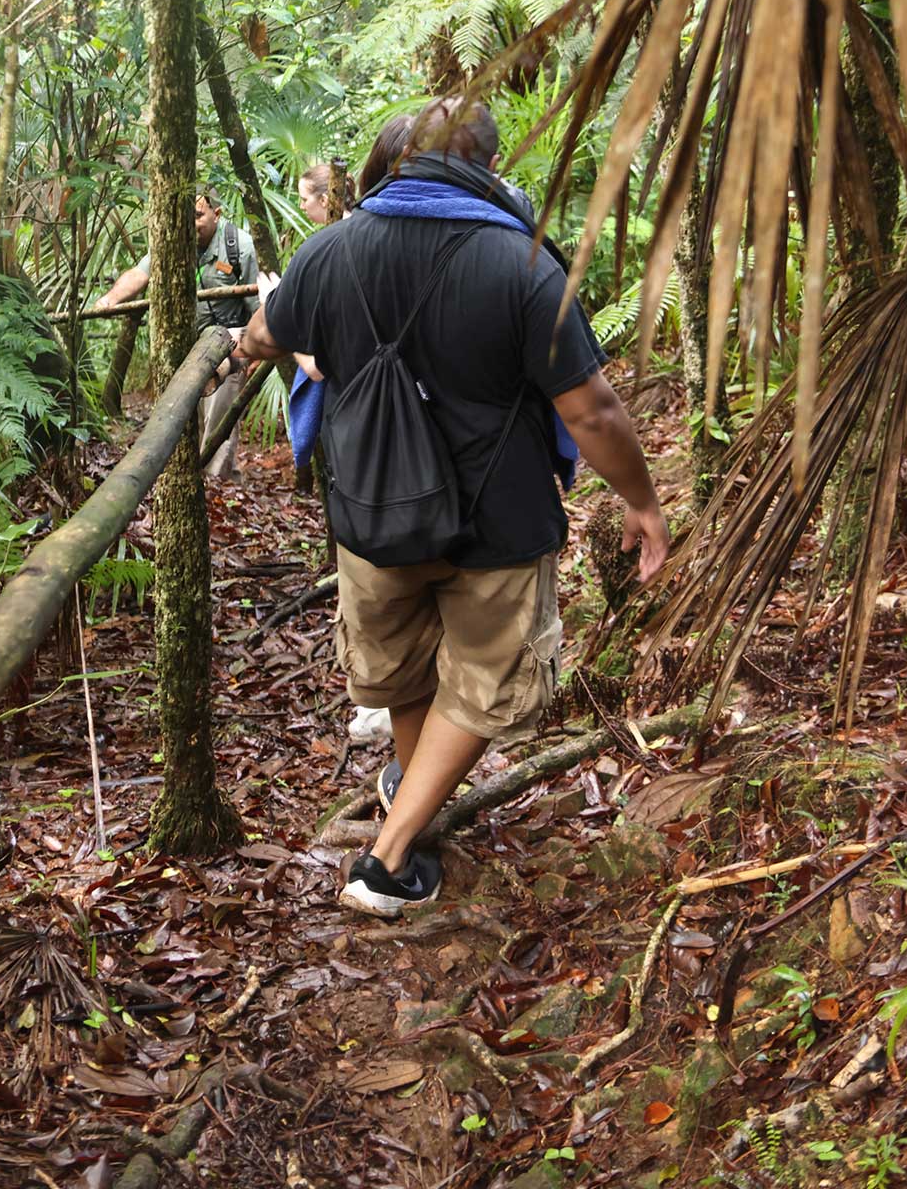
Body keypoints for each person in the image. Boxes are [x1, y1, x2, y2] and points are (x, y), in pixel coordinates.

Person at [231, 95, 669, 917]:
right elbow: (593, 413)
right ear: (487, 166)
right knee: (484, 676)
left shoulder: (327, 253)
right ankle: (390, 858)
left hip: (371, 516)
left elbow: (264, 332)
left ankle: (409, 798)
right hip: (493, 527)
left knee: (400, 666)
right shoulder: (524, 264)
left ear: (383, 165)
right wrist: (641, 501)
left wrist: (269, 344)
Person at [99, 187, 258, 481]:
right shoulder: (174, 239)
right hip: (187, 348)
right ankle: (197, 480)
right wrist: (109, 300)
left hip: (229, 347)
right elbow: (140, 273)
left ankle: (217, 487)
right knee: (189, 420)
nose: (191, 223)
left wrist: (256, 350)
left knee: (217, 421)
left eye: (198, 215)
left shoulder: (239, 246)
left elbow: (257, 305)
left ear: (216, 213)